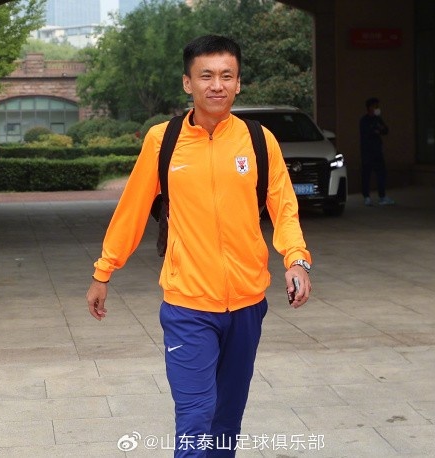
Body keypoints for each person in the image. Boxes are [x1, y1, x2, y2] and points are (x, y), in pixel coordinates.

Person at [85, 35, 312, 457]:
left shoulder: (259, 141)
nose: (217, 85)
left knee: (226, 420)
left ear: (239, 83)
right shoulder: (163, 141)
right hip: (187, 304)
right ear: (187, 83)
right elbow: (132, 209)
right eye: (206, 76)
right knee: (195, 415)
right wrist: (104, 270)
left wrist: (296, 259)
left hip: (247, 303)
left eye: (227, 75)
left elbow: (284, 208)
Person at [359, 97, 395, 206]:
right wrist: (376, 130)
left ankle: (382, 196)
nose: (377, 108)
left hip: (377, 151)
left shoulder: (378, 119)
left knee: (381, 173)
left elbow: (385, 130)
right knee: (366, 174)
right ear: (370, 107)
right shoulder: (364, 120)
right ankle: (366, 197)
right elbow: (368, 132)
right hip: (367, 152)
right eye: (375, 106)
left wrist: (379, 129)